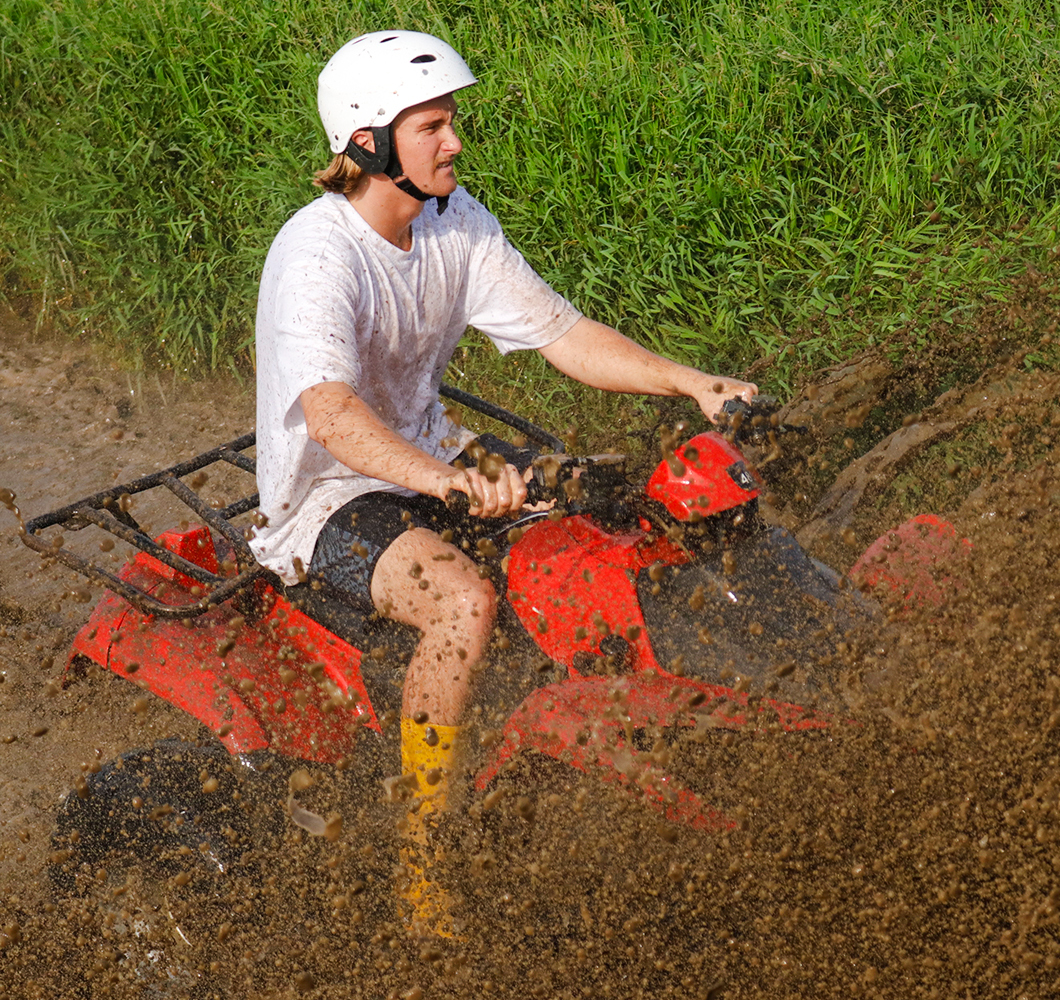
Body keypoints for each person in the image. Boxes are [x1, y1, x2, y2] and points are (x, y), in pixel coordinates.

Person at [248, 29, 755, 937]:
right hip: (328, 496)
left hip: (436, 448)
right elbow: (330, 416)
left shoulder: (454, 221)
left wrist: (692, 381)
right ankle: (423, 868)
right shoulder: (317, 256)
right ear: (368, 141)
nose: (454, 143)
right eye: (434, 127)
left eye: (452, 124)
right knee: (463, 605)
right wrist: (443, 482)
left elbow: (563, 334)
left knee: (602, 505)